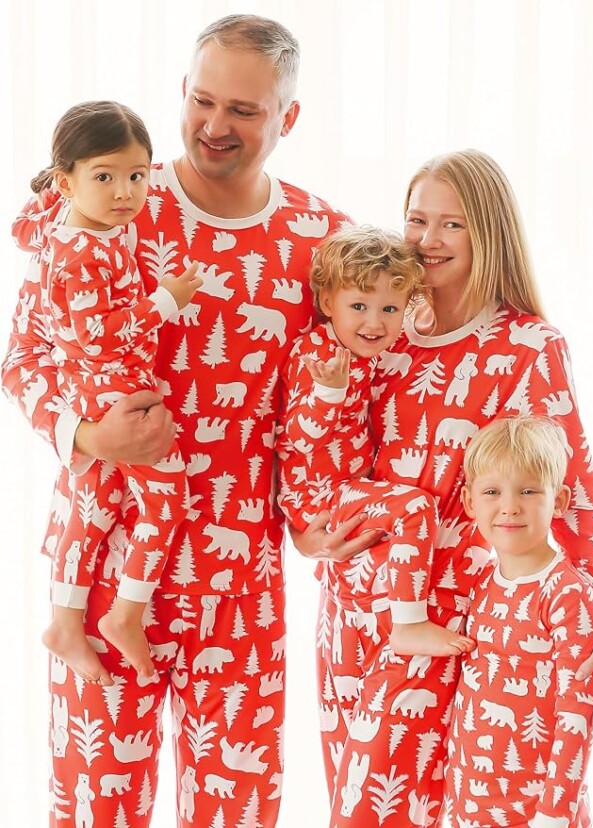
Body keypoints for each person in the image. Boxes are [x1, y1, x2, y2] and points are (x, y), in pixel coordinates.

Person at [2, 15, 357, 828]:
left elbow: (329, 396)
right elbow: (24, 360)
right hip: (104, 565)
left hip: (241, 585)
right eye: (202, 100)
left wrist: (311, 520)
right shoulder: (109, 199)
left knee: (237, 807)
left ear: (287, 118)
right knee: (97, 806)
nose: (215, 125)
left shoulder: (320, 238)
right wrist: (86, 438)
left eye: (244, 109)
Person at [293, 149, 593, 826]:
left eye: (453, 224)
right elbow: (317, 451)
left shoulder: (528, 347)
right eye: (417, 219)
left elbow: (572, 489)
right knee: (364, 807)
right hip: (357, 613)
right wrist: (305, 535)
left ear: (489, 233)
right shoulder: (375, 326)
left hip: (465, 624)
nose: (428, 240)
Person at [12, 100, 202, 682]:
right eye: (104, 177)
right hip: (107, 390)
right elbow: (95, 336)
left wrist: (55, 190)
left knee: (89, 509)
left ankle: (66, 622)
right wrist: (163, 300)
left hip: (100, 391)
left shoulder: (74, 228)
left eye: (137, 176)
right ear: (68, 181)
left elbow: (26, 224)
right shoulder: (79, 249)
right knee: (167, 499)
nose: (125, 192)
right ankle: (126, 612)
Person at [276, 224, 474, 658]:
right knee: (416, 507)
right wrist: (329, 392)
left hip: (345, 486)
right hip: (319, 495)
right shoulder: (320, 355)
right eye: (359, 305)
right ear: (328, 302)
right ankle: (408, 623)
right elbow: (297, 438)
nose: (374, 322)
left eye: (389, 308)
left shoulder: (365, 346)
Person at [444, 415, 593, 828]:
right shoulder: (481, 582)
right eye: (493, 491)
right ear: (469, 502)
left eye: (529, 490)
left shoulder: (567, 593)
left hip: (538, 814)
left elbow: (577, 715)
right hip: (469, 804)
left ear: (561, 500)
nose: (510, 506)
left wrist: (552, 814)